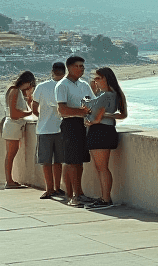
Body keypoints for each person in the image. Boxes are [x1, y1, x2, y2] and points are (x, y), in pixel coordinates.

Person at [83, 67, 127, 208]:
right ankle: (105, 198)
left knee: (102, 168)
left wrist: (93, 119)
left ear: (105, 79)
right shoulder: (116, 94)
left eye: (98, 78)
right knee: (102, 168)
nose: (95, 81)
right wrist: (106, 116)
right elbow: (122, 114)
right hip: (108, 130)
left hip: (99, 132)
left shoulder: (104, 96)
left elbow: (95, 116)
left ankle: (106, 199)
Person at [55, 56, 94, 205]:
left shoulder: (84, 85)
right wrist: (81, 111)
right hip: (70, 124)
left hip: (82, 125)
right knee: (71, 161)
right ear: (70, 68)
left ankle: (79, 193)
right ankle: (73, 196)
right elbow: (62, 110)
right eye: (78, 66)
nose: (81, 69)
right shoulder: (62, 85)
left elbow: (93, 102)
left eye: (82, 66)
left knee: (80, 161)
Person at [31, 61, 67, 199]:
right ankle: (57, 188)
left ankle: (49, 189)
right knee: (58, 161)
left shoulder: (41, 87)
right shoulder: (66, 86)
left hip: (44, 129)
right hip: (61, 129)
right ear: (64, 71)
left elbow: (34, 108)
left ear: (52, 71)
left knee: (46, 161)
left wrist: (43, 117)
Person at [3, 71, 36, 189]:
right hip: (13, 126)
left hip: (13, 126)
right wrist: (29, 112)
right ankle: (9, 181)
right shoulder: (15, 91)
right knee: (10, 155)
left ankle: (10, 180)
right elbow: (13, 114)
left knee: (11, 155)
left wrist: (28, 100)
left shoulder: (15, 91)